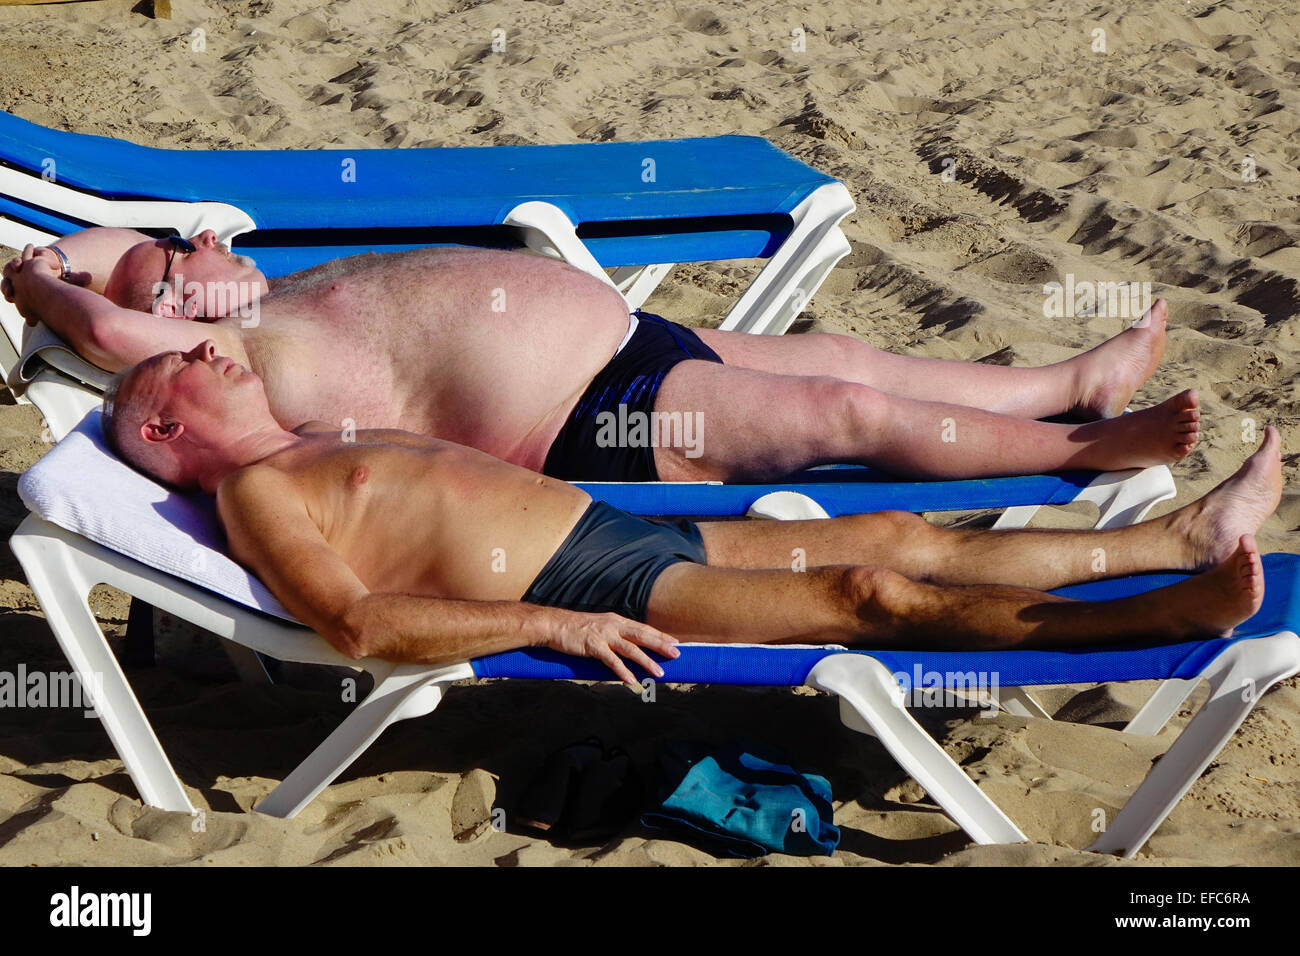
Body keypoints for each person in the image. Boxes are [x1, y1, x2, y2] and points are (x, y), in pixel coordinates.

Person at [99, 340, 1275, 688]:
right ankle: (1150, 617)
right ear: (163, 431)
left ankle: (1168, 537)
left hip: (607, 526)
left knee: (895, 537)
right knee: (866, 595)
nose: (206, 345)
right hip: (578, 590)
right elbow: (354, 624)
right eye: (182, 367)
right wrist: (540, 627)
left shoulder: (303, 436)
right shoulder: (256, 487)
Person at [3, 229, 1197, 484]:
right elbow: (106, 327)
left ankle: (1063, 384)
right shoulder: (192, 351)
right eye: (171, 259)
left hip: (626, 342)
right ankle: (1086, 443)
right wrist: (35, 279)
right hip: (588, 418)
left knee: (834, 347)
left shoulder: (260, 302)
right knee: (836, 404)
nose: (204, 244)